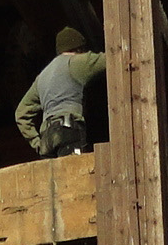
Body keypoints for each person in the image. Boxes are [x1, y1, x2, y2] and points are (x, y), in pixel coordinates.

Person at [14, 26, 105, 157]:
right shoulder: (78, 62)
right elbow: (112, 58)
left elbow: (21, 113)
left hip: (47, 138)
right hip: (68, 130)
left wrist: (37, 143)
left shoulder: (42, 76)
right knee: (75, 169)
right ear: (79, 49)